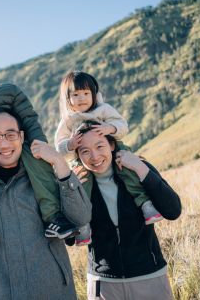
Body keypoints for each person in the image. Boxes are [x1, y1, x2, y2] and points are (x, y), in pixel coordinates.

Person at [0, 109, 91, 299]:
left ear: (21, 137)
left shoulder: (44, 177)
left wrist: (59, 162)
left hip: (51, 289)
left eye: (11, 134)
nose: (4, 143)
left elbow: (81, 217)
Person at [0, 53, 78, 250]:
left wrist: (38, 143)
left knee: (38, 164)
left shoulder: (9, 91)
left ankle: (53, 218)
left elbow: (28, 117)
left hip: (19, 143)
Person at [72, 121, 182, 300]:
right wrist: (71, 192)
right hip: (104, 284)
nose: (94, 156)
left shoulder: (135, 169)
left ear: (112, 145)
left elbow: (173, 210)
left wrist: (140, 167)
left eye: (100, 146)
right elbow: (70, 239)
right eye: (85, 151)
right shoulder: (79, 184)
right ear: (77, 155)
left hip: (149, 277)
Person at [55, 71, 163, 246]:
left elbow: (122, 126)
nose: (82, 98)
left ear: (93, 94)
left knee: (127, 172)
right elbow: (59, 147)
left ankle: (145, 204)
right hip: (83, 159)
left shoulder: (103, 110)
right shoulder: (68, 120)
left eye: (86, 93)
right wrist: (70, 144)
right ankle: (83, 225)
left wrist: (109, 128)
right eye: (76, 95)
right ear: (68, 99)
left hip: (114, 149)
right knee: (82, 185)